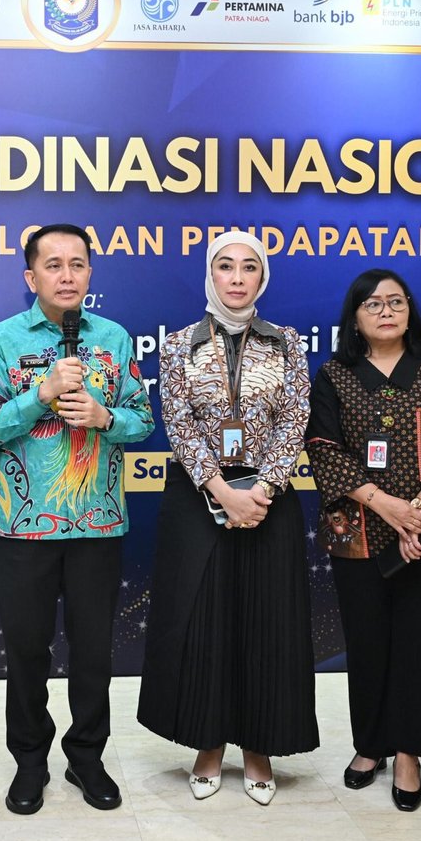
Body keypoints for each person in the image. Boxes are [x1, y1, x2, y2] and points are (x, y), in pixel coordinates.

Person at [0, 224, 154, 815]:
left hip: (98, 525)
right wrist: (40, 394)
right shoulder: (3, 339)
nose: (67, 275)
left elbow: (143, 421)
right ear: (32, 277)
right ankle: (30, 761)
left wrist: (106, 417)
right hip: (23, 527)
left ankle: (86, 757)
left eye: (77, 264)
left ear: (90, 274)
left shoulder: (114, 338)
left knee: (93, 651)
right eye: (53, 265)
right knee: (27, 650)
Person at [137, 231, 318, 807]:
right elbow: (179, 423)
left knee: (267, 624)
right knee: (204, 624)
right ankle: (208, 744)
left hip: (269, 500)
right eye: (225, 266)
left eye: (248, 268)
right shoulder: (178, 345)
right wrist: (221, 491)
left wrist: (260, 490)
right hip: (199, 497)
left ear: (262, 278)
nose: (237, 278)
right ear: (210, 275)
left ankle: (259, 749)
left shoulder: (287, 343)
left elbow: (296, 420)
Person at [305, 268, 421, 813]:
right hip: (359, 531)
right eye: (373, 304)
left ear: (410, 311)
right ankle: (371, 744)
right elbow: (323, 447)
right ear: (354, 317)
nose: (386, 311)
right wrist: (386, 506)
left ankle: (409, 753)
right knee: (369, 641)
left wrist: (418, 511)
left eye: (396, 302)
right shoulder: (334, 374)